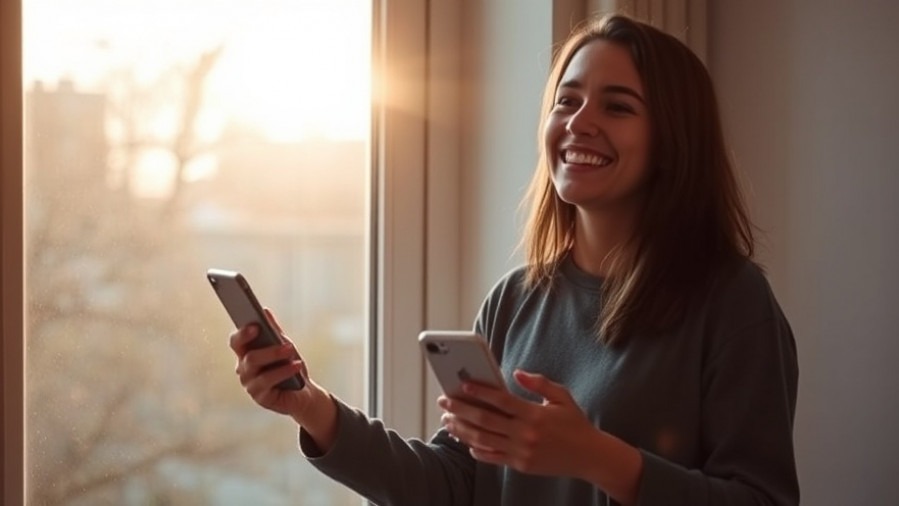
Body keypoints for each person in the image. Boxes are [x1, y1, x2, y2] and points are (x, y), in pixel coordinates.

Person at [229, 13, 799, 506]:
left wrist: (598, 457)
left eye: (618, 106)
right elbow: (455, 486)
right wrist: (308, 405)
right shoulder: (515, 300)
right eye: (566, 101)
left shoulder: (731, 302)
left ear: (674, 139)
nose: (579, 122)